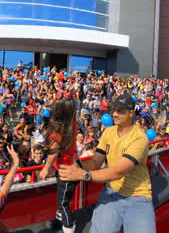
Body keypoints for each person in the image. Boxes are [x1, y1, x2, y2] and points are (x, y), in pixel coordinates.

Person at [59, 93, 155, 233]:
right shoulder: (108, 132)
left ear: (131, 113)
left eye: (120, 111)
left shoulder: (139, 138)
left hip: (138, 195)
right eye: (114, 110)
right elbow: (96, 162)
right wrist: (76, 166)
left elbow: (119, 171)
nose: (114, 114)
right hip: (113, 192)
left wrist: (83, 175)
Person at [38, 100, 78, 233]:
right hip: (70, 166)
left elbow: (54, 150)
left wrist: (45, 168)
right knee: (62, 198)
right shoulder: (71, 123)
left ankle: (68, 226)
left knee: (63, 202)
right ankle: (60, 219)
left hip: (66, 170)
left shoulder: (60, 129)